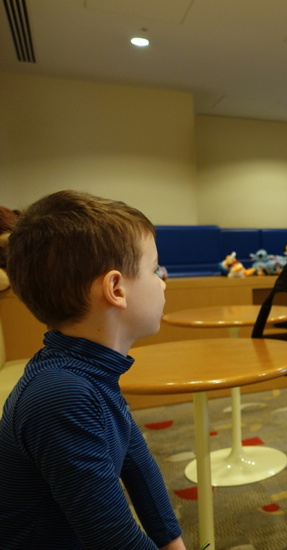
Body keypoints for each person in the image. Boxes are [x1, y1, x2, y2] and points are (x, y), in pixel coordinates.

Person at [0, 190, 185, 550]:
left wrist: (172, 543)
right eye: (153, 270)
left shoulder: (86, 370)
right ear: (115, 288)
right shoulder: (60, 394)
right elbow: (113, 538)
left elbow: (137, 462)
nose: (163, 282)